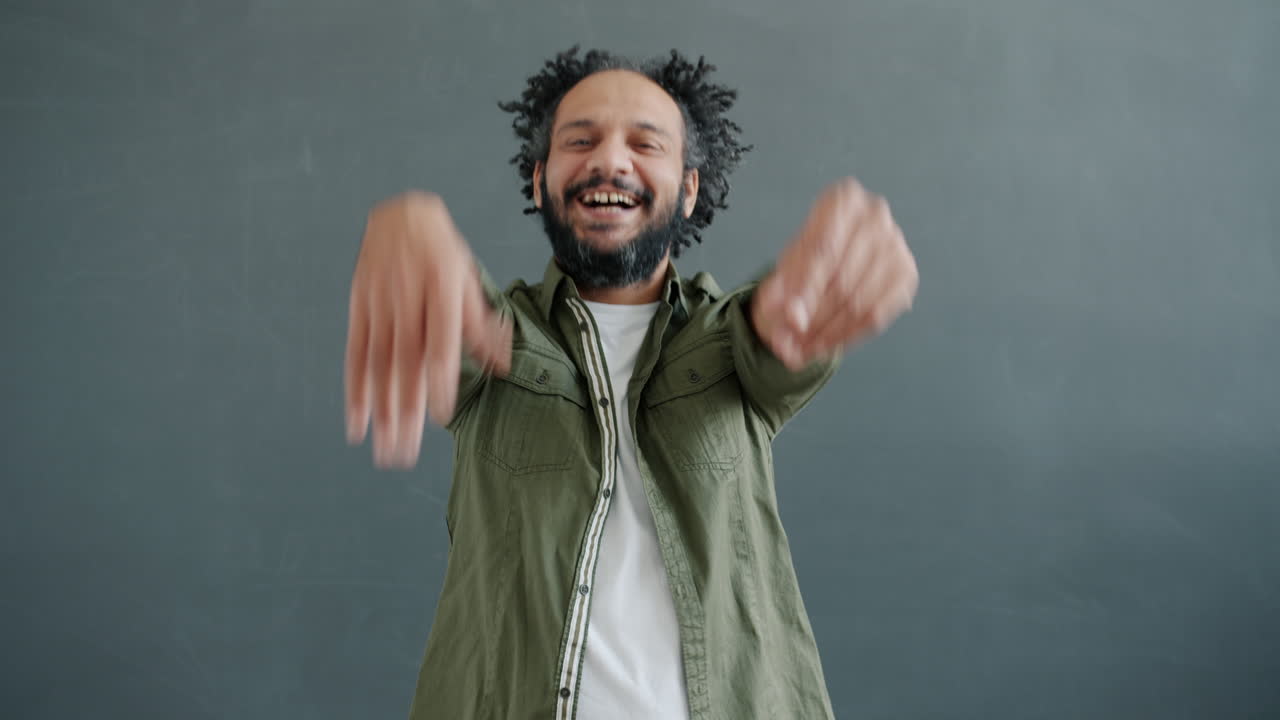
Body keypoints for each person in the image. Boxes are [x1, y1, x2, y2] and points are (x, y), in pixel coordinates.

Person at [344, 47, 918, 720]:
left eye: (645, 143)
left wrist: (812, 291)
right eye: (579, 140)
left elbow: (780, 342)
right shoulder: (490, 334)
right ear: (539, 180)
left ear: (690, 188)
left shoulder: (735, 338)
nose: (610, 161)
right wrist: (406, 222)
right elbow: (448, 310)